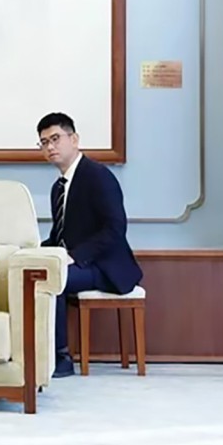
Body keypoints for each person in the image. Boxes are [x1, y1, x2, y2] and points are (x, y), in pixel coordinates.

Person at [36, 112, 143, 377]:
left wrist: (74, 256)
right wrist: (34, 251)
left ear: (74, 139)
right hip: (82, 263)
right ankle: (38, 353)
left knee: (54, 278)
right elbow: (61, 235)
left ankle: (61, 357)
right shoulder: (58, 187)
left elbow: (115, 228)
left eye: (55, 139)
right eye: (43, 142)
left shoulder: (97, 176)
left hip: (106, 267)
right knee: (35, 272)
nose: (50, 147)